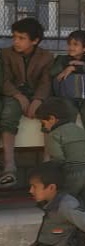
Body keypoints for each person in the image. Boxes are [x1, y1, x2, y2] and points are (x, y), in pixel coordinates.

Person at [0, 18, 52, 187]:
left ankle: (47, 164)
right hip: (13, 95)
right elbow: (4, 80)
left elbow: (46, 82)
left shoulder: (46, 56)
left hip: (36, 95)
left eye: (21, 38)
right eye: (14, 37)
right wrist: (18, 96)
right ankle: (9, 166)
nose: (16, 41)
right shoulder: (5, 54)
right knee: (8, 113)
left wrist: (38, 99)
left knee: (50, 113)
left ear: (35, 40)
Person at [36, 98, 85, 208]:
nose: (43, 127)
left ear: (52, 119)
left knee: (61, 205)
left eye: (43, 123)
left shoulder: (54, 134)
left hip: (71, 175)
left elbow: (58, 159)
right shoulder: (80, 130)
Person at [49, 30, 85, 138]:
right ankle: (69, 141)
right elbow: (52, 72)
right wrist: (67, 66)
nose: (71, 47)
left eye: (75, 44)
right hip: (66, 97)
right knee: (68, 109)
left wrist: (75, 68)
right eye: (69, 44)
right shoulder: (61, 59)